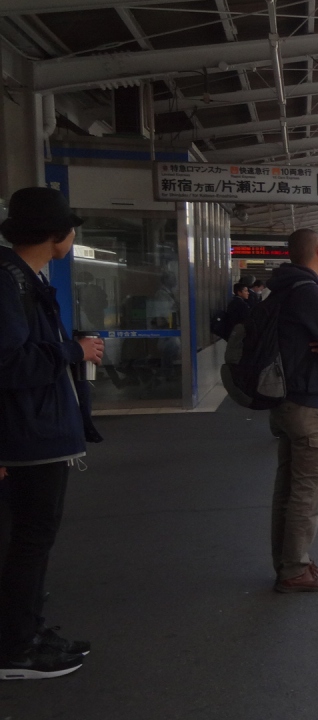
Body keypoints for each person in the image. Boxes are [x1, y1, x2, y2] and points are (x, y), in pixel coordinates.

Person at [0, 187, 103, 679]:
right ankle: (17, 647)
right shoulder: (9, 282)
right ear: (57, 234)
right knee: (28, 541)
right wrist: (73, 351)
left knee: (29, 540)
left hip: (33, 433)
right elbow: (9, 363)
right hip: (26, 438)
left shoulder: (24, 279)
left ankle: (29, 632)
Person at [266, 229, 318, 593]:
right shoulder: (310, 292)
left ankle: (289, 563)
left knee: (287, 490)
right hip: (307, 405)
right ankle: (295, 570)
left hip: (283, 401)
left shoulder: (280, 289)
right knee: (306, 492)